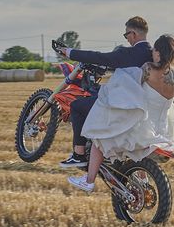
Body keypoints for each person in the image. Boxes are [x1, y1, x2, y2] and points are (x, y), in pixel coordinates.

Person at [67, 34, 174, 193]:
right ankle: (142, 181)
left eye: (154, 51)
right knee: (139, 151)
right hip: (161, 127)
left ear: (158, 52)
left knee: (99, 138)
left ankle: (88, 181)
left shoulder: (149, 69)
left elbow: (126, 85)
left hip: (142, 125)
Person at [57, 16, 153, 168]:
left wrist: (69, 52)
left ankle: (78, 155)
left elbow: (99, 57)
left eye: (126, 34)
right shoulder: (153, 54)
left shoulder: (129, 54)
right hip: (145, 110)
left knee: (77, 106)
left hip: (123, 108)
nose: (127, 38)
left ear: (133, 33)